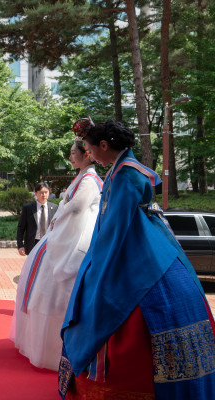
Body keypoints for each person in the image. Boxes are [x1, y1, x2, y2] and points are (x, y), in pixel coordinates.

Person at [59, 119, 215, 399]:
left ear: (104, 145)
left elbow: (115, 227)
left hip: (133, 244)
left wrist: (97, 268)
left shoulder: (124, 175)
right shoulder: (125, 169)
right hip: (153, 242)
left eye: (90, 149)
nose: (90, 155)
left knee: (104, 298)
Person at [11, 137, 103, 371]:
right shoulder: (83, 177)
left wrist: (59, 214)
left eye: (73, 153)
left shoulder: (90, 179)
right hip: (66, 234)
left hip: (75, 238)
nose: (70, 157)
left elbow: (78, 207)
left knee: (60, 289)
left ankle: (58, 349)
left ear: (87, 154)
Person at [16, 183, 58, 256]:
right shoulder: (28, 208)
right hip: (33, 243)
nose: (44, 195)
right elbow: (21, 228)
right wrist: (20, 245)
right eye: (41, 193)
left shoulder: (55, 208)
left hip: (49, 243)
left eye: (46, 192)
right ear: (35, 193)